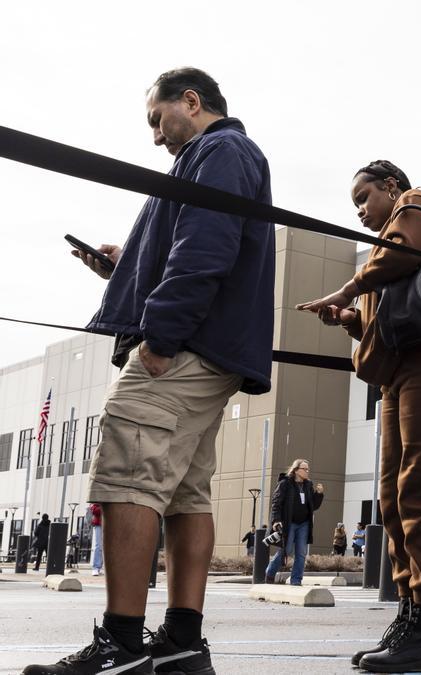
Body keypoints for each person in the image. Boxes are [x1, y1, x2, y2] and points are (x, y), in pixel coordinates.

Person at [25, 67, 274, 675]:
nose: (155, 135)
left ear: (191, 101)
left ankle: (121, 644)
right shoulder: (218, 156)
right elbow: (190, 248)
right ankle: (182, 643)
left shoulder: (219, 150)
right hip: (210, 348)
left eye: (157, 119)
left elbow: (206, 251)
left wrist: (160, 340)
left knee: (128, 475)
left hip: (184, 348)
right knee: (185, 491)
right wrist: (125, 265)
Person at [297, 161, 421, 673]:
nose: (360, 209)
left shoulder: (415, 206)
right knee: (392, 498)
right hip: (403, 371)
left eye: (364, 196)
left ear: (392, 187)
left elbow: (404, 251)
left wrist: (348, 289)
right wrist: (352, 319)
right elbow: (395, 321)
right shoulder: (387, 255)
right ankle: (410, 614)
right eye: (354, 203)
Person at [264, 460, 324, 585]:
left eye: (308, 469)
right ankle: (270, 572)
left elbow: (313, 506)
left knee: (301, 553)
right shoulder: (285, 483)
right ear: (296, 470)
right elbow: (276, 503)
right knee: (286, 550)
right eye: (304, 469)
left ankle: (296, 580)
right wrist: (276, 520)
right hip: (289, 523)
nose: (307, 471)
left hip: (304, 524)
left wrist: (319, 494)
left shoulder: (308, 485)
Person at [88, 503, 103, 576]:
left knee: (107, 548)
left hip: (109, 524)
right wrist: (104, 508)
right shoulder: (97, 499)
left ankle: (100, 567)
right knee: (98, 546)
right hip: (99, 525)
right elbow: (94, 510)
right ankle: (96, 568)